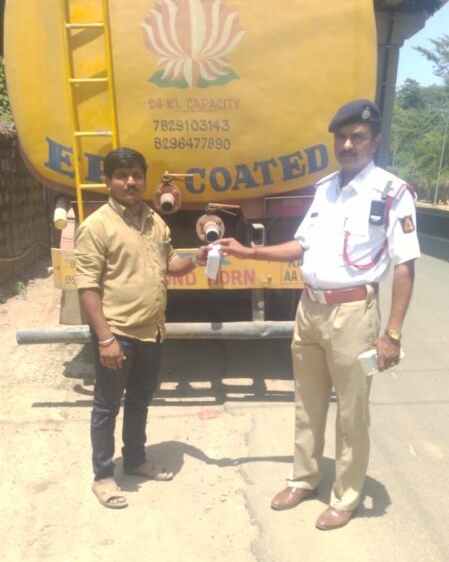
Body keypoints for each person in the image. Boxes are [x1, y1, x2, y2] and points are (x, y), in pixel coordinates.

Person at [219, 99, 421, 530]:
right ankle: (304, 478)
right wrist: (249, 252)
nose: (348, 145)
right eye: (341, 138)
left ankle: (346, 496)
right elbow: (302, 245)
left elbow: (405, 265)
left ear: (375, 141)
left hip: (353, 313)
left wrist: (392, 334)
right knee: (307, 404)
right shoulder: (325, 189)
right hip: (309, 308)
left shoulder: (392, 193)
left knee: (351, 412)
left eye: (358, 137)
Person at [75, 147, 209, 509]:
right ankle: (103, 476)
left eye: (136, 174)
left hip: (152, 331)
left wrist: (196, 259)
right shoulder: (97, 226)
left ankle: (134, 459)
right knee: (107, 407)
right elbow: (87, 287)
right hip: (117, 333)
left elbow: (169, 264)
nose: (131, 182)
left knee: (139, 401)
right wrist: (105, 339)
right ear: (107, 181)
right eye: (122, 176)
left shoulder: (154, 220)